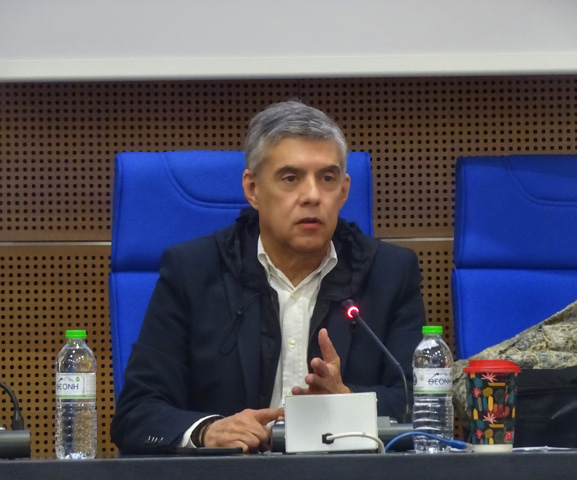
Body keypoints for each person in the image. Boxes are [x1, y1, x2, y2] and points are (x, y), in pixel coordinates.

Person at [111, 100, 426, 454]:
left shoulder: (389, 273)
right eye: (291, 178)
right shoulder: (193, 271)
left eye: (327, 178)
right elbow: (137, 412)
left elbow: (423, 405)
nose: (312, 195)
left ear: (343, 190)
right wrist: (207, 431)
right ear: (252, 189)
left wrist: (346, 400)